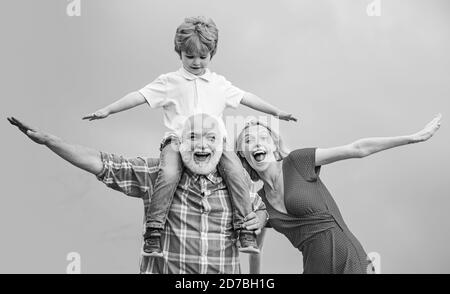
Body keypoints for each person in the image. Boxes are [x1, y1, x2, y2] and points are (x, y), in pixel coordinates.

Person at [82, 16, 297, 257]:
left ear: (212, 55)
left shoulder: (218, 84)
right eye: (190, 56)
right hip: (179, 142)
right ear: (180, 53)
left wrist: (276, 111)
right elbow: (139, 96)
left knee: (237, 172)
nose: (196, 62)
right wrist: (108, 110)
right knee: (168, 172)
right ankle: (154, 231)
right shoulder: (169, 82)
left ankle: (243, 229)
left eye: (202, 57)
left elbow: (247, 97)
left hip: (215, 145)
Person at [7, 114, 269, 274]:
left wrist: (258, 217)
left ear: (221, 147)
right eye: (193, 137)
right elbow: (103, 163)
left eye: (210, 138)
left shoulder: (237, 184)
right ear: (180, 143)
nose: (201, 144)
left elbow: (261, 209)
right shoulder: (157, 173)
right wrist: (51, 141)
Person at [236, 114, 442, 274]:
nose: (256, 143)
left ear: (273, 145)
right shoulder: (259, 201)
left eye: (263, 137)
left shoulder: (298, 162)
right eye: (248, 140)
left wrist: (413, 138)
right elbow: (256, 248)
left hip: (348, 261)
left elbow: (357, 148)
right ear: (243, 155)